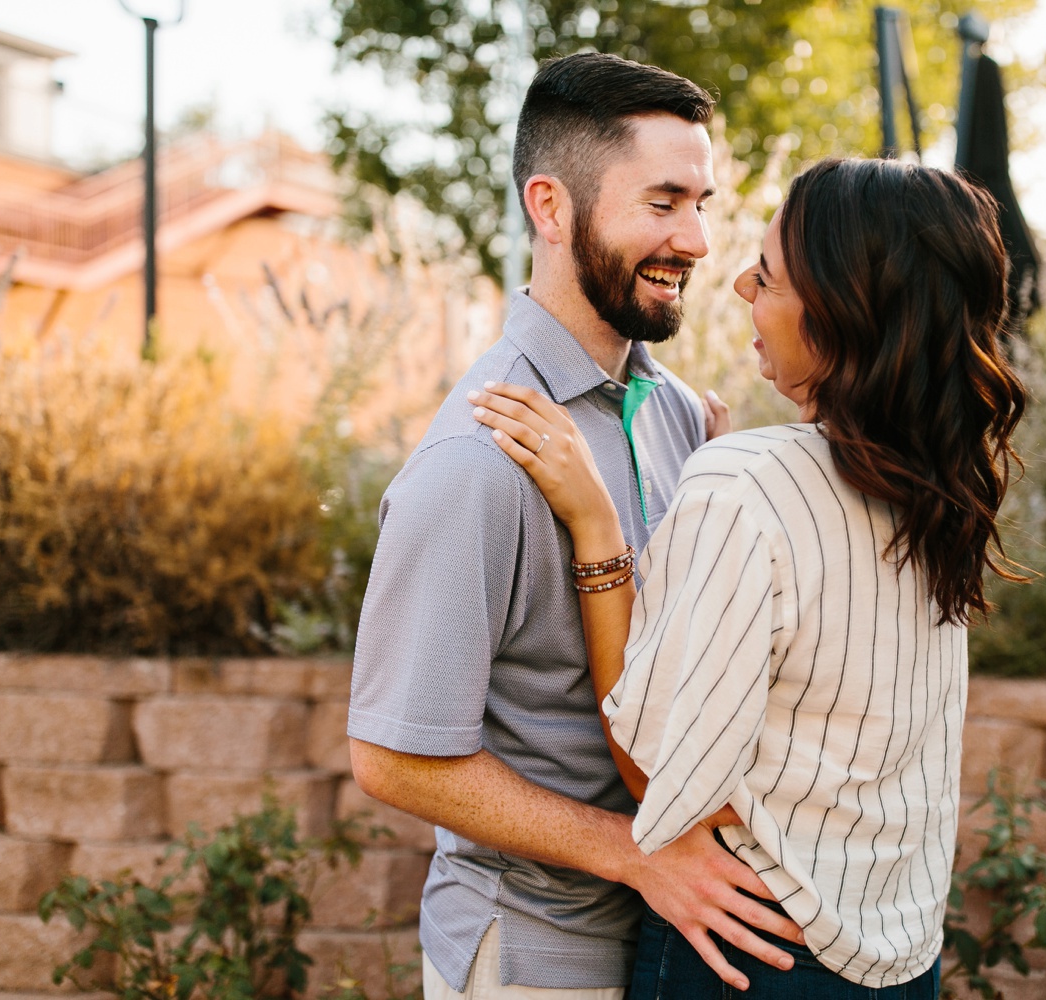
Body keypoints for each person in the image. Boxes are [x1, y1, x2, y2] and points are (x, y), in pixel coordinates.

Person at [469, 157, 1028, 997]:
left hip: (753, 950)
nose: (736, 286)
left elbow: (657, 773)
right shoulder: (939, 488)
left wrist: (596, 526)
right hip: (902, 957)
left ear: (839, 312)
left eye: (766, 277)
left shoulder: (745, 487)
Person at [346, 52, 805, 1000]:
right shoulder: (477, 461)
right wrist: (636, 854)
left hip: (668, 948)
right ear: (550, 208)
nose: (696, 240)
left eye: (701, 204)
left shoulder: (680, 414)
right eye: (663, 203)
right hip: (536, 959)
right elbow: (394, 758)